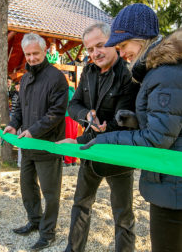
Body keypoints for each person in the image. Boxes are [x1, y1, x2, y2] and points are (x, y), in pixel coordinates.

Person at [81, 4, 182, 252]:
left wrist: (107, 140)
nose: (121, 51)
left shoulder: (170, 73)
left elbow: (158, 138)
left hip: (175, 180)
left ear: (139, 39)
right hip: (169, 176)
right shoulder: (161, 71)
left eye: (123, 44)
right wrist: (136, 121)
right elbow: (170, 126)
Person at [56, 22, 139, 252]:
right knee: (80, 205)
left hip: (118, 155)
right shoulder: (89, 71)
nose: (95, 53)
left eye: (100, 46)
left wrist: (85, 137)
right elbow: (74, 105)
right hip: (89, 152)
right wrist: (86, 115)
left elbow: (123, 121)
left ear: (112, 43)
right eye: (90, 49)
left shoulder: (127, 73)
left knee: (123, 214)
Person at [3, 33, 68, 251]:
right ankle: (34, 220)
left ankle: (48, 232)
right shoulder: (25, 78)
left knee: (50, 193)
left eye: (35, 53)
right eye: (28, 54)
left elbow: (57, 112)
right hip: (27, 144)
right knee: (27, 187)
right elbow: (20, 106)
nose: (31, 58)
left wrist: (34, 130)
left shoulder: (57, 77)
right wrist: (14, 124)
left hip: (48, 145)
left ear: (45, 51)